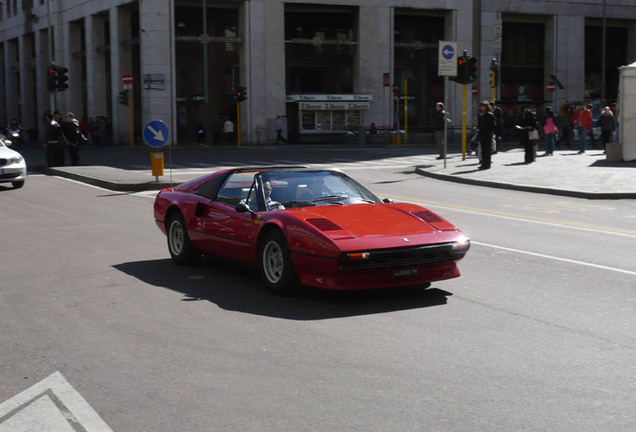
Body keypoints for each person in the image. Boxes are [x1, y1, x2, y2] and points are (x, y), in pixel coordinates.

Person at [477, 101, 496, 170]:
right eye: (481, 106)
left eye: (483, 106)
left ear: (486, 107)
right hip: (481, 134)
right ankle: (483, 163)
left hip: (487, 134)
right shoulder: (479, 114)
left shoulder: (489, 114)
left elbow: (493, 125)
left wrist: (489, 131)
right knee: (483, 149)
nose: (482, 107)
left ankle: (487, 164)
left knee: (487, 150)